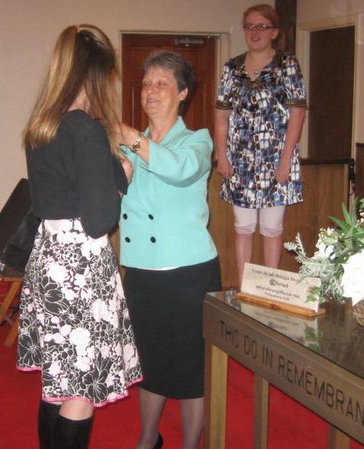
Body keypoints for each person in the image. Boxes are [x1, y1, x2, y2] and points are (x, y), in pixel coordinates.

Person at [16, 24, 142, 449]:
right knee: (81, 388)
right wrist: (122, 179)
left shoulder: (41, 127)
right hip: (80, 265)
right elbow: (99, 220)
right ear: (93, 74)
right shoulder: (84, 129)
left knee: (59, 379)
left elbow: (58, 193)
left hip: (49, 255)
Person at [117, 50, 221, 449]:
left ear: (182, 93)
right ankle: (148, 439)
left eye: (162, 83)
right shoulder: (126, 149)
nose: (151, 90)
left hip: (189, 274)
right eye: (146, 83)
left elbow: (178, 170)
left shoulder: (197, 141)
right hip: (141, 272)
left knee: (193, 368)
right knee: (150, 361)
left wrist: (130, 138)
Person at [214, 3, 307, 279]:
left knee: (271, 228)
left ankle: (269, 288)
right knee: (243, 227)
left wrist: (285, 161)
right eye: (250, 26)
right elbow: (221, 116)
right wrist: (222, 155)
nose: (255, 32)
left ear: (274, 32)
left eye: (262, 26)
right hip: (239, 160)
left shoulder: (287, 64)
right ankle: (246, 289)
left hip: (276, 158)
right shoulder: (232, 68)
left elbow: (297, 113)